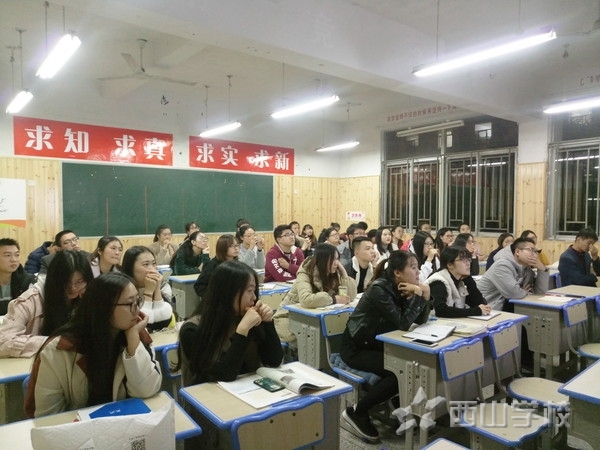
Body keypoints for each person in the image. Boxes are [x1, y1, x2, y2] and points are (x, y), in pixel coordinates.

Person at [24, 272, 162, 418]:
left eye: (138, 301)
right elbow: (48, 417)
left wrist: (133, 340)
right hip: (77, 429)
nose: (137, 310)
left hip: (125, 424)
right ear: (104, 308)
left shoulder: (136, 333)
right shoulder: (60, 349)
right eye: (130, 304)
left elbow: (146, 390)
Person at [340, 251, 431, 442]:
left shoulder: (400, 287)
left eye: (417, 267)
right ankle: (357, 412)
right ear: (397, 272)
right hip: (356, 348)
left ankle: (397, 403)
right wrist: (418, 296)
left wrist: (425, 295)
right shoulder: (379, 290)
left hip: (378, 344)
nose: (418, 271)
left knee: (416, 365)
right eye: (413, 267)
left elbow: (419, 321)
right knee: (397, 373)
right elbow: (403, 323)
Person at [179, 260, 283, 386]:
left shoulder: (248, 317)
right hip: (209, 395)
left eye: (254, 290)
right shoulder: (192, 330)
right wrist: (242, 330)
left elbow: (274, 361)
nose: (254, 297)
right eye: (249, 290)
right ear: (228, 293)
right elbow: (224, 374)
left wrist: (267, 322)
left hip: (249, 390)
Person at [0, 250, 92, 358]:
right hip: (35, 363)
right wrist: (53, 342)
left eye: (79, 282)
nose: (73, 288)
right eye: (66, 282)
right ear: (54, 280)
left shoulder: (89, 297)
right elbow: (3, 342)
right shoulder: (30, 301)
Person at [273, 244, 357, 343]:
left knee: (336, 333)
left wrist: (344, 274)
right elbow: (306, 299)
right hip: (288, 318)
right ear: (323, 260)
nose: (336, 263)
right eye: (333, 259)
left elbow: (350, 297)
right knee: (312, 339)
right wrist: (333, 299)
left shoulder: (333, 273)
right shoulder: (305, 271)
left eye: (337, 259)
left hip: (312, 319)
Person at [477, 237, 549, 311]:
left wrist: (542, 269)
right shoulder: (501, 265)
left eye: (536, 252)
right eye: (531, 250)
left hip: (506, 307)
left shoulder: (526, 268)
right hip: (486, 308)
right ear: (517, 252)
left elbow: (540, 292)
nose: (535, 255)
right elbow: (514, 293)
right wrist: (523, 291)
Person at [426, 246, 490, 318]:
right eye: (463, 260)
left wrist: (469, 280)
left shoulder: (460, 279)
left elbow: (478, 303)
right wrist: (476, 311)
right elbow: (441, 310)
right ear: (450, 264)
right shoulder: (438, 282)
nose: (468, 263)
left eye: (468, 259)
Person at [121, 246, 174, 331]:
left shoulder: (155, 286)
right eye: (146, 264)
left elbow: (163, 323)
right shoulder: (123, 292)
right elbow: (143, 327)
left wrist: (157, 289)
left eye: (154, 263)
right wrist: (148, 293)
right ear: (130, 268)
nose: (152, 269)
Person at [0, 238, 36, 316]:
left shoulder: (28, 281)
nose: (14, 260)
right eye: (7, 255)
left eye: (17, 255)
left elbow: (29, 309)